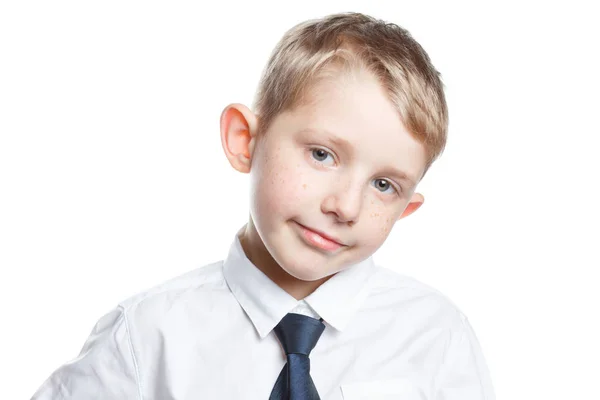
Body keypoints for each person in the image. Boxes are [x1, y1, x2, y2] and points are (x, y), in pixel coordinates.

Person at [31, 11, 495, 400]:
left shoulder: (435, 336)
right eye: (322, 154)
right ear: (244, 141)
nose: (346, 206)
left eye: (383, 185)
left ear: (405, 210)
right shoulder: (147, 338)